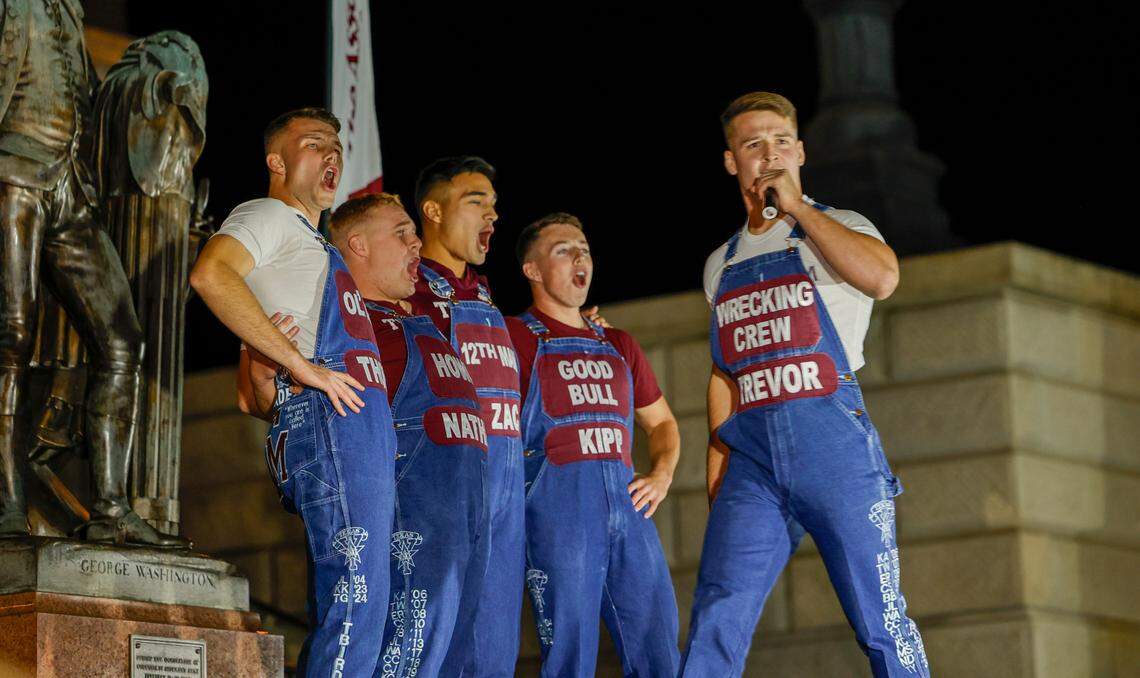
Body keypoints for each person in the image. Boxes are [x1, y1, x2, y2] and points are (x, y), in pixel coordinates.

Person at [681, 91, 930, 677]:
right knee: (717, 613)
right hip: (754, 459)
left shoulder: (840, 226)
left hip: (833, 446)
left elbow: (883, 277)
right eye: (753, 144)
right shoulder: (722, 262)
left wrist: (798, 211)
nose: (768, 154)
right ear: (730, 162)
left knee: (879, 617)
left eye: (780, 141)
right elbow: (726, 369)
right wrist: (718, 461)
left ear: (800, 152)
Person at [189, 107, 396, 677]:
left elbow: (250, 398)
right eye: (314, 143)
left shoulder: (316, 246)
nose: (332, 153)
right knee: (355, 605)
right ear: (277, 162)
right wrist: (302, 368)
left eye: (337, 144)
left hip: (346, 427)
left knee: (363, 605)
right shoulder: (269, 215)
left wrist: (270, 369)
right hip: (328, 425)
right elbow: (210, 274)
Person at [505, 213, 681, 676]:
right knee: (568, 656)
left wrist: (661, 475)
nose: (580, 256)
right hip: (557, 514)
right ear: (533, 270)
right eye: (564, 249)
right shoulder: (514, 336)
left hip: (630, 512)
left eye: (583, 248)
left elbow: (661, 422)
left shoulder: (618, 342)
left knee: (661, 651)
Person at [406, 156, 524, 676]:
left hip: (503, 482)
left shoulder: (482, 291)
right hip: (442, 484)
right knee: (434, 637)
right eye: (476, 202)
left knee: (494, 643)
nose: (492, 216)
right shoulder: (408, 288)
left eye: (494, 206)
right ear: (432, 210)